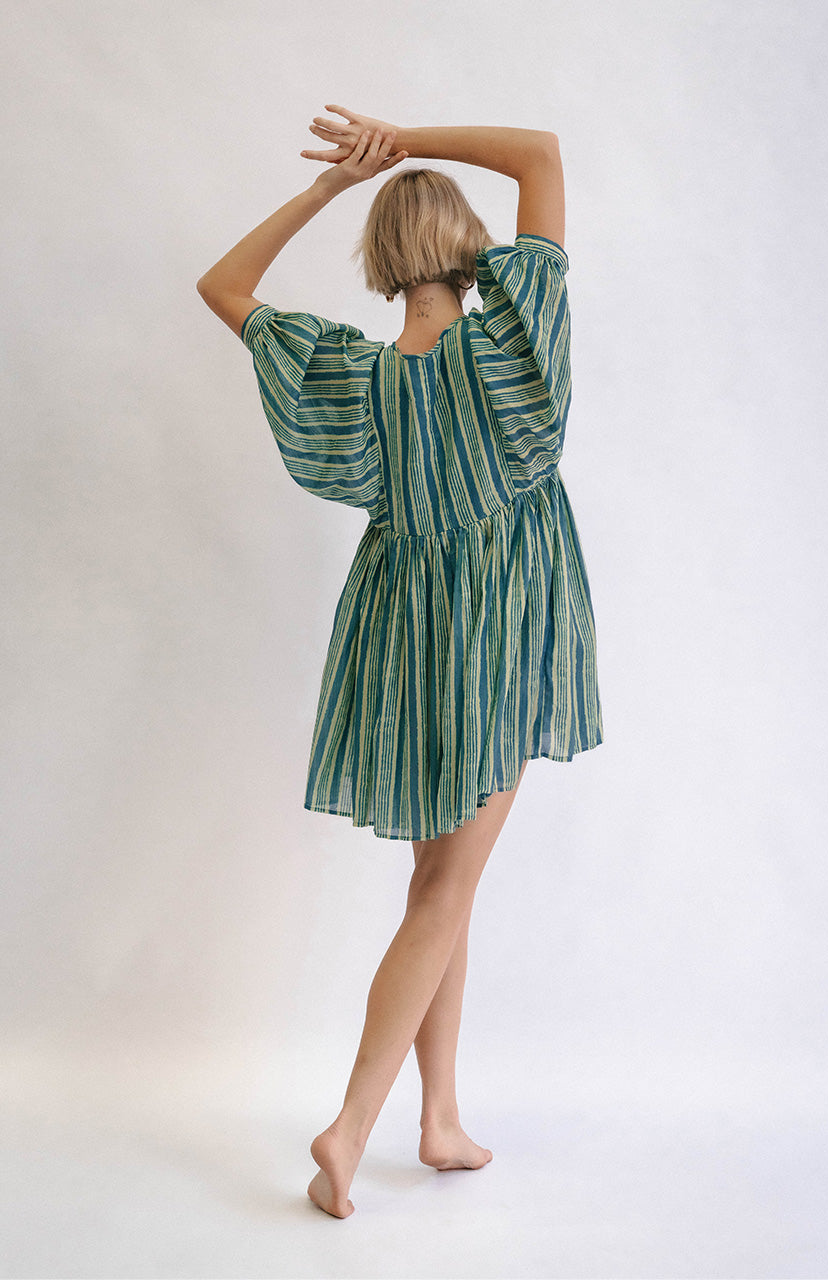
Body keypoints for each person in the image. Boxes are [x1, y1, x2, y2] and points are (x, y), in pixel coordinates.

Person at [197, 106, 604, 1218]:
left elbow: (222, 286)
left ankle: (438, 1117)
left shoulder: (355, 379)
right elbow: (542, 154)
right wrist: (403, 135)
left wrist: (336, 185)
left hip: (401, 636)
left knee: (438, 885)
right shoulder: (516, 346)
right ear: (476, 250)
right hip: (503, 628)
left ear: (382, 265)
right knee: (450, 888)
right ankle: (351, 1123)